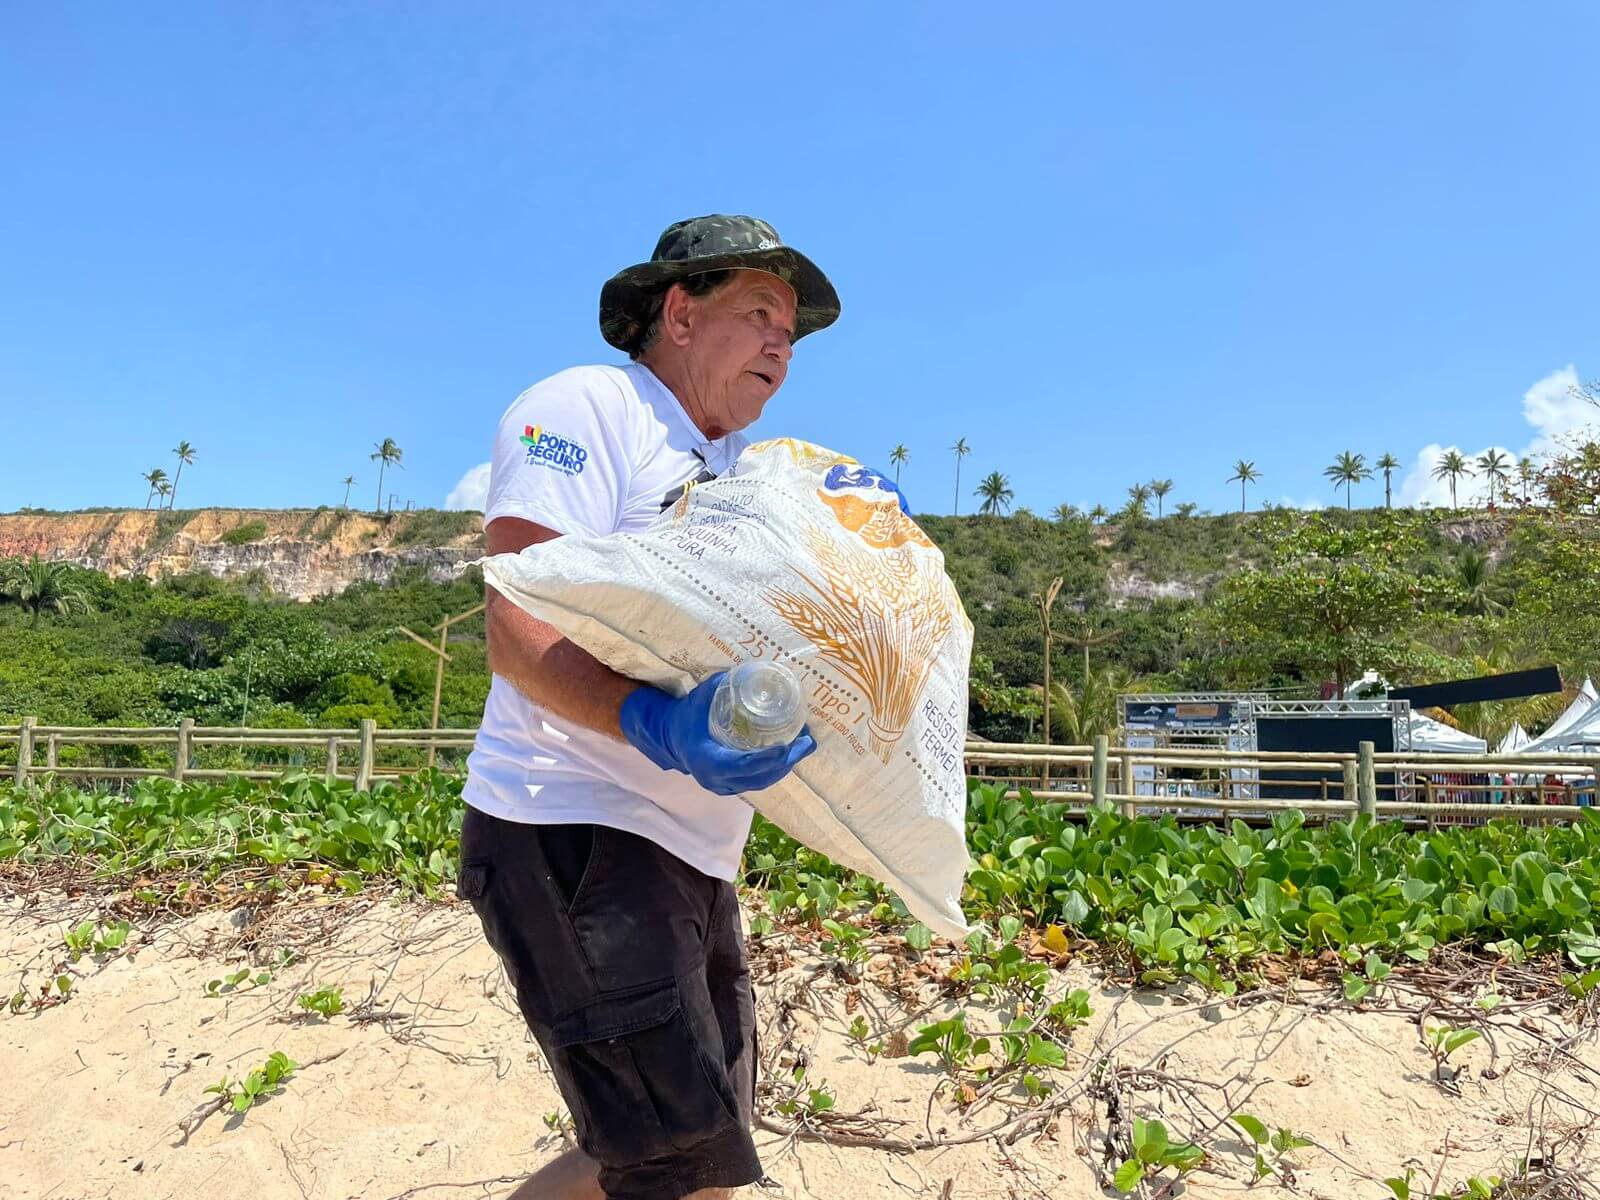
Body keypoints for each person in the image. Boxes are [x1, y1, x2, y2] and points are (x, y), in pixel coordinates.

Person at [457, 216, 855, 1200]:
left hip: (689, 851)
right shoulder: (592, 405)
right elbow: (516, 626)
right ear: (677, 313)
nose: (781, 344)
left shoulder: (735, 473)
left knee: (687, 1153)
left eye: (792, 334)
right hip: (575, 831)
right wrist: (653, 723)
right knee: (675, 1167)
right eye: (759, 313)